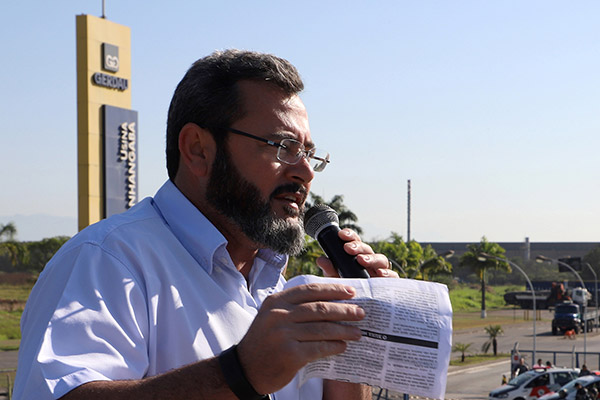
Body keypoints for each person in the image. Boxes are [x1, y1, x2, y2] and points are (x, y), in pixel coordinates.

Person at [13, 50, 397, 400]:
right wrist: (238, 374)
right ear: (198, 149)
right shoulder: (108, 260)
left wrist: (360, 329)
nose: (305, 173)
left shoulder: (280, 287)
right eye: (283, 147)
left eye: (309, 153)